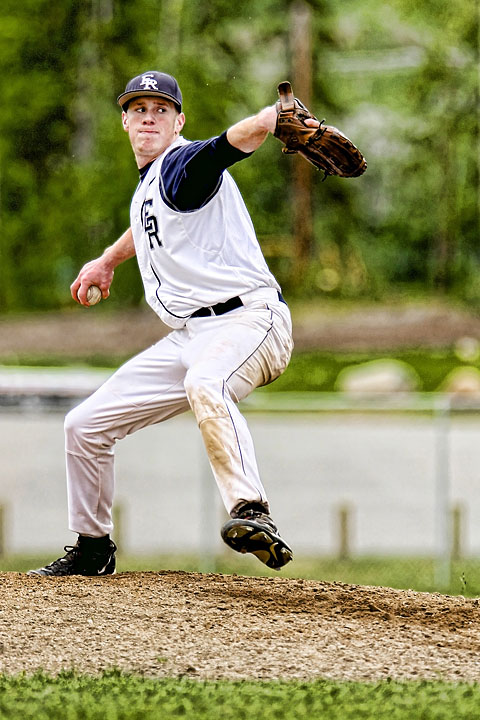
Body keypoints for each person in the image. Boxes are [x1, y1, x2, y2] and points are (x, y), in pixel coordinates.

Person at [29, 71, 310, 577]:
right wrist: (107, 261)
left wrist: (271, 119)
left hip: (251, 322)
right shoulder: (152, 186)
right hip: (190, 336)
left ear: (179, 120)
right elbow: (150, 223)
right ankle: (93, 547)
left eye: (161, 109)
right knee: (84, 426)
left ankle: (252, 511)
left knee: (206, 381)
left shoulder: (182, 163)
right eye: (139, 110)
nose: (149, 118)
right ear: (124, 122)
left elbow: (225, 147)